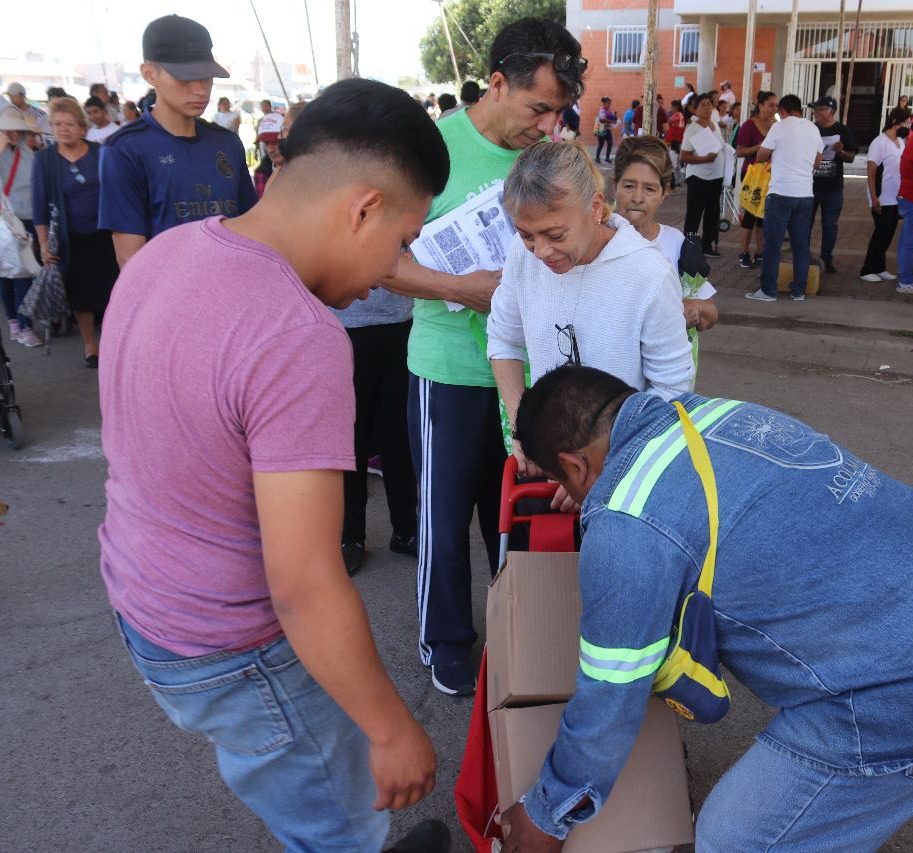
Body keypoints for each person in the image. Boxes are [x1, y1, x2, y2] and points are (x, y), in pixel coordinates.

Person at [98, 77, 451, 853]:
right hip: (233, 645)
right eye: (401, 239)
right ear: (361, 208)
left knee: (298, 791)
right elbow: (304, 582)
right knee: (336, 824)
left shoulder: (166, 252)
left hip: (144, 603)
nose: (394, 268)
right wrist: (392, 731)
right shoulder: (298, 333)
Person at [500, 363, 913, 852]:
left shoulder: (628, 518)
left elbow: (611, 695)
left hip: (884, 689)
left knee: (733, 840)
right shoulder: (721, 414)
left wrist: (548, 813)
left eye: (561, 480)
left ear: (574, 465)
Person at [383, 17, 587, 697]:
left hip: (531, 374)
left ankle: (514, 631)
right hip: (447, 368)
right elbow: (381, 259)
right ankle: (445, 639)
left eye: (558, 112)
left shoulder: (553, 161)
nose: (547, 125)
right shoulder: (428, 150)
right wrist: (456, 288)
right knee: (443, 518)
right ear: (497, 82)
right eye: (538, 108)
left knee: (517, 514)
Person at [488, 141, 694, 500]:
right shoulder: (523, 256)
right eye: (526, 235)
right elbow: (504, 339)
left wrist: (598, 468)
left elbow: (672, 393)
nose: (541, 252)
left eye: (555, 235)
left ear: (595, 207)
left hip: (628, 473)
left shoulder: (648, 275)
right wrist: (525, 433)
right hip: (548, 465)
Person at [98, 15, 257, 268]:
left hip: (233, 293)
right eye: (185, 78)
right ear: (150, 74)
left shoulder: (227, 144)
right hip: (170, 301)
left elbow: (251, 228)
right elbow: (131, 259)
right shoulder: (125, 150)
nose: (200, 90)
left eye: (206, 78)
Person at [612, 135, 718, 374]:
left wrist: (694, 308)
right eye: (629, 186)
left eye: (649, 189)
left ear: (664, 193)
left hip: (665, 384)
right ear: (614, 186)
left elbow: (711, 312)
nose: (638, 197)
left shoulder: (677, 244)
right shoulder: (597, 241)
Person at [32, 98, 118, 367]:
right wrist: (44, 245)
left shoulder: (100, 152)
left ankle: (115, 342)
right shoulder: (44, 160)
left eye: (69, 124)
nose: (63, 129)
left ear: (83, 128)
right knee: (81, 295)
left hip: (106, 233)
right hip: (72, 237)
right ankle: (91, 346)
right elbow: (39, 206)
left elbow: (117, 190)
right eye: (57, 124)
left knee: (114, 289)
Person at [746, 95, 823, 302]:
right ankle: (798, 291)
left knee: (772, 243)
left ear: (783, 110)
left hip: (780, 193)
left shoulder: (779, 127)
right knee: (801, 245)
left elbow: (761, 156)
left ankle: (768, 290)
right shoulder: (813, 128)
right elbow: (817, 161)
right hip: (805, 194)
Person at [0, 108, 42, 347]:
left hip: (26, 220)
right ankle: (14, 321)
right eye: (8, 129)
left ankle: (24, 324)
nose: (14, 133)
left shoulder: (30, 154)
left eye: (18, 129)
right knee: (5, 275)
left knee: (24, 273)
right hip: (4, 220)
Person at [808, 95, 858, 274]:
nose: (816, 113)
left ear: (831, 112)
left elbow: (851, 157)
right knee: (805, 223)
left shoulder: (843, 130)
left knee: (830, 225)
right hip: (810, 186)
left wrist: (841, 151)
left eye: (820, 110)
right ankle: (803, 256)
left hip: (833, 187)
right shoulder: (810, 129)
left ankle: (826, 259)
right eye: (815, 110)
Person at [861, 108, 911, 283]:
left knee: (889, 233)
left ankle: (879, 267)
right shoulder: (879, 142)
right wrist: (874, 197)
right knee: (881, 233)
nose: (908, 125)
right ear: (895, 121)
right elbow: (872, 171)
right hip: (882, 196)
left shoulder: (900, 142)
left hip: (896, 196)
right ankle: (867, 269)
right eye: (906, 121)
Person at [735, 90, 777, 269]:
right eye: (770, 105)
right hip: (753, 175)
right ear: (761, 105)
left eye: (776, 105)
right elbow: (740, 151)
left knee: (764, 217)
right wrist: (759, 147)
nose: (773, 109)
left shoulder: (776, 125)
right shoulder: (749, 125)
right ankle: (743, 252)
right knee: (750, 216)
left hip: (771, 175)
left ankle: (761, 252)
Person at [680, 93, 725, 258]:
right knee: (694, 213)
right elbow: (684, 156)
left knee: (712, 213)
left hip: (716, 176)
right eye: (702, 105)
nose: (706, 108)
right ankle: (689, 246)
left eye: (709, 105)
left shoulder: (714, 125)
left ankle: (707, 245)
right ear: (695, 109)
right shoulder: (692, 128)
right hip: (698, 178)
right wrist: (704, 159)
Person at [897, 115, 913, 295]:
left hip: (906, 194)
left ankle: (905, 277)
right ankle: (906, 280)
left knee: (906, 240)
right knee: (909, 241)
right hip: (910, 195)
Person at [253, 112, 284, 197]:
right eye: (266, 143)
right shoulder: (262, 173)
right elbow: (264, 203)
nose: (270, 149)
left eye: (275, 142)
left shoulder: (305, 166)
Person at [665, 99, 686, 186]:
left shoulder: (678, 115)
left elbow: (670, 121)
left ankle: (673, 180)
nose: (671, 108)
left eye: (672, 107)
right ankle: (679, 179)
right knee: (676, 161)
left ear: (676, 107)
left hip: (676, 140)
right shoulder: (679, 115)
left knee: (673, 160)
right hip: (677, 140)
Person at [594, 96, 616, 164]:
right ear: (604, 103)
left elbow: (612, 117)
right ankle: (597, 158)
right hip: (601, 128)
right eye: (608, 103)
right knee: (601, 144)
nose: (609, 105)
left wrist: (614, 116)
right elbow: (602, 119)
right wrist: (611, 121)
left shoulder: (608, 110)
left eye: (610, 104)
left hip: (607, 128)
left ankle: (607, 158)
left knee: (610, 143)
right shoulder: (602, 110)